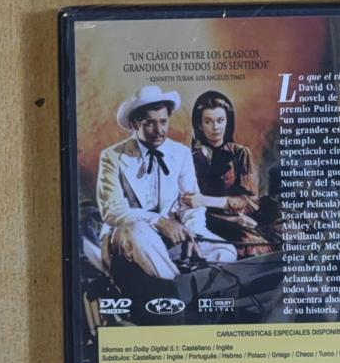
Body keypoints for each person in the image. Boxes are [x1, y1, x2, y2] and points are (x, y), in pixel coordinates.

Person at [96, 86, 236, 280]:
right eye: (150, 123)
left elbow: (190, 204)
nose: (159, 130)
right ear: (135, 124)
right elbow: (112, 211)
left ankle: (176, 280)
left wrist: (193, 234)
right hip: (128, 239)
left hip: (169, 241)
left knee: (225, 251)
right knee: (137, 230)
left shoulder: (180, 153)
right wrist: (159, 221)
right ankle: (177, 286)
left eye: (163, 122)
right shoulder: (112, 156)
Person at [185, 90, 281, 258]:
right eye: (208, 121)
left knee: (256, 250)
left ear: (227, 121)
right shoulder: (188, 158)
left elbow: (251, 201)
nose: (215, 127)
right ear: (199, 125)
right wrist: (228, 219)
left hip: (242, 224)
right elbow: (189, 205)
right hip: (204, 225)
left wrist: (206, 200)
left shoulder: (240, 153)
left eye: (220, 120)